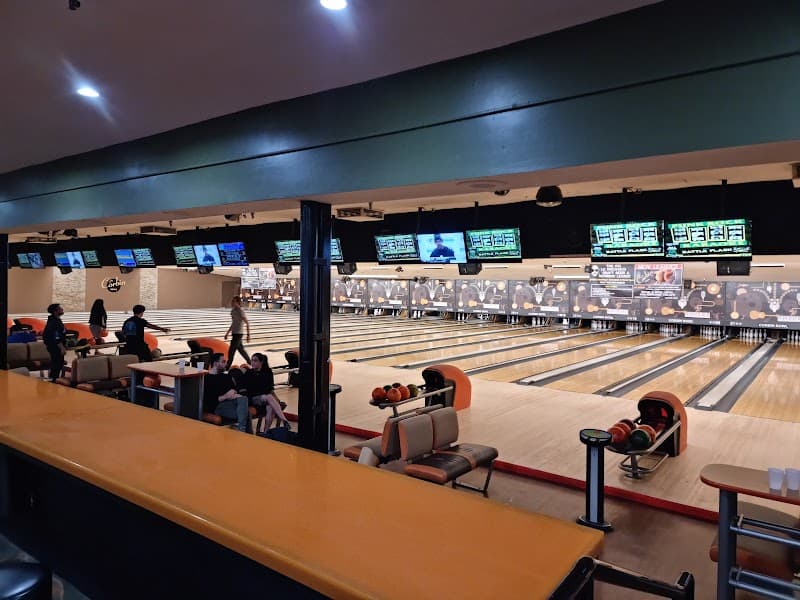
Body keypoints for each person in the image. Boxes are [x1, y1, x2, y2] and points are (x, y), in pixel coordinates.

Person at [203, 353, 252, 433]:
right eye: (223, 362)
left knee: (243, 399)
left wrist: (234, 392)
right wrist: (226, 396)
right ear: (215, 364)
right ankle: (244, 432)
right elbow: (209, 400)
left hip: (232, 403)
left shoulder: (226, 376)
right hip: (218, 407)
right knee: (246, 413)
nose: (226, 364)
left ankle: (242, 431)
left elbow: (236, 389)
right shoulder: (207, 379)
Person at [241, 353, 290, 430]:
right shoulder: (249, 373)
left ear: (261, 362)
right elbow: (246, 390)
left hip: (266, 398)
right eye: (252, 360)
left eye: (255, 361)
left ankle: (265, 432)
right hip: (253, 398)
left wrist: (276, 399)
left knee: (270, 407)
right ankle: (284, 419)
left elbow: (270, 388)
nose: (252, 363)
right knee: (268, 397)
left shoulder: (268, 372)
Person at [223, 296, 250, 368]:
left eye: (234, 301)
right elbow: (233, 323)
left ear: (238, 302)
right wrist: (227, 333)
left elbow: (247, 322)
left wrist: (248, 335)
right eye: (232, 301)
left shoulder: (240, 311)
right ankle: (250, 363)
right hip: (234, 333)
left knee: (231, 351)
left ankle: (227, 368)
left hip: (239, 334)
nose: (232, 302)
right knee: (241, 350)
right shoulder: (232, 311)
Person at [42, 303, 67, 382]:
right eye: (60, 308)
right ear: (55, 312)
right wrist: (61, 347)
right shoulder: (54, 322)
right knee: (57, 364)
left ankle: (54, 379)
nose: (62, 309)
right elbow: (56, 336)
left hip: (55, 345)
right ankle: (53, 380)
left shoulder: (55, 320)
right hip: (55, 346)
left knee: (57, 363)